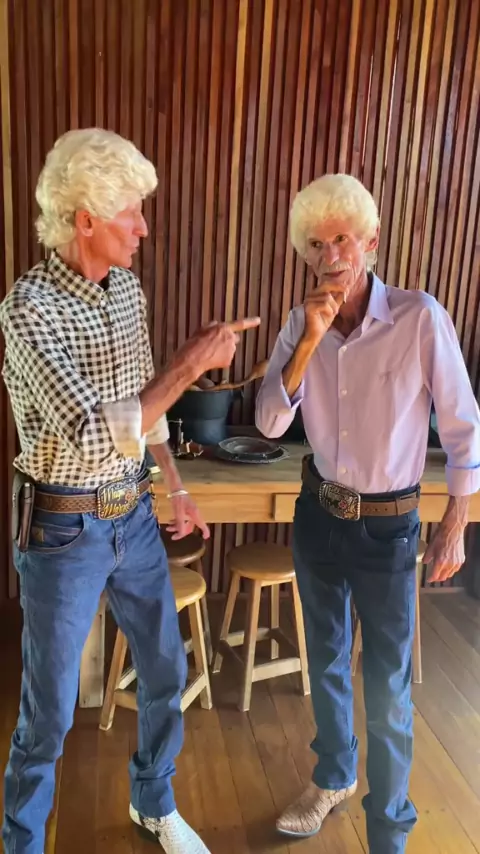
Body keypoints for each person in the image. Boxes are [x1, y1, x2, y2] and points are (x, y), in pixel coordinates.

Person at [0, 128, 260, 854]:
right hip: (62, 530)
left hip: (133, 513)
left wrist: (173, 487)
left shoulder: (127, 292)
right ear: (85, 219)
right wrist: (188, 366)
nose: (144, 227)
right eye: (131, 213)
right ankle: (22, 841)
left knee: (166, 670)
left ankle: (153, 801)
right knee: (49, 713)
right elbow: (92, 432)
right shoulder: (28, 309)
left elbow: (145, 414)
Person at [255, 173, 480, 854]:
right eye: (316, 244)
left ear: (371, 241)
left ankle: (389, 829)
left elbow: (464, 426)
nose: (331, 256)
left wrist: (456, 523)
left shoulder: (420, 317)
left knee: (386, 683)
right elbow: (269, 424)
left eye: (343, 240)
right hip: (319, 515)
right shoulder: (299, 323)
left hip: (389, 527)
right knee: (323, 661)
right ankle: (333, 777)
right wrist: (308, 341)